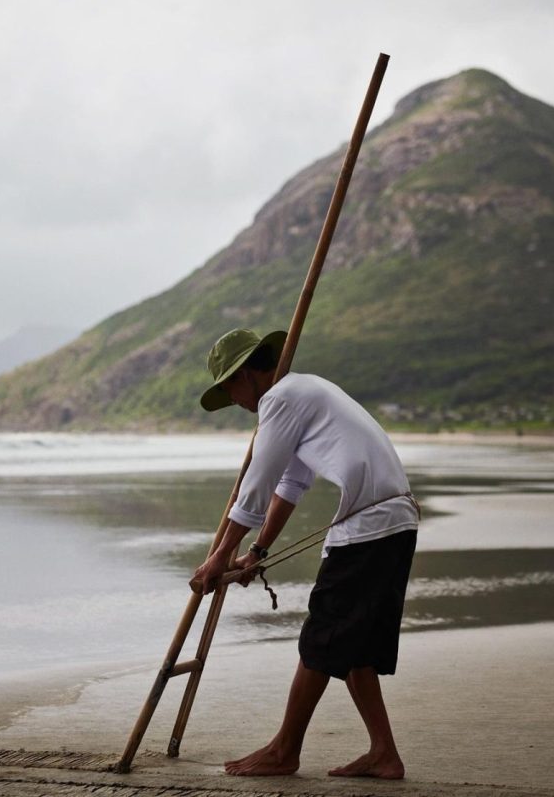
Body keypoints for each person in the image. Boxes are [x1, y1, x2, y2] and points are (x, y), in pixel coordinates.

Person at [192, 328, 419, 779]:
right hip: (394, 522)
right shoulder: (302, 393)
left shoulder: (282, 397)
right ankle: (383, 753)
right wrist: (256, 551)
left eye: (230, 387)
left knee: (322, 637)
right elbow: (290, 484)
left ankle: (284, 750)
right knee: (355, 649)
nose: (233, 399)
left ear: (249, 373)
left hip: (371, 527)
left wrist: (219, 556)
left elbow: (255, 488)